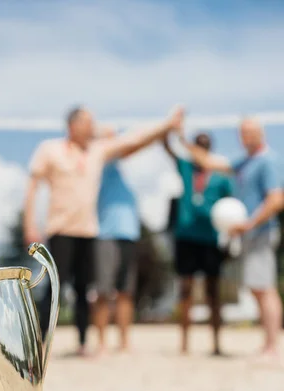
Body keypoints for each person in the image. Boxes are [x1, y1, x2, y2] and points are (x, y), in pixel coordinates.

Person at [24, 106, 183, 356]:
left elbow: (135, 140)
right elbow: (33, 186)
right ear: (73, 125)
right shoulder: (50, 149)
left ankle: (83, 343)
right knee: (54, 285)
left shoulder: (97, 152)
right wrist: (30, 224)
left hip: (88, 230)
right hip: (60, 229)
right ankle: (39, 341)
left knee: (83, 289)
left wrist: (166, 124)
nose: (93, 125)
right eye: (87, 122)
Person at [180, 118, 283, 362]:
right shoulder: (245, 162)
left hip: (261, 232)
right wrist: (182, 139)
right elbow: (208, 161)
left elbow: (276, 200)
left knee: (265, 288)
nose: (245, 137)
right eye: (242, 133)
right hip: (249, 234)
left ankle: (272, 347)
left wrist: (249, 224)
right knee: (257, 289)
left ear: (261, 133)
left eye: (250, 132)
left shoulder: (267, 161)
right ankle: (268, 344)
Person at [163, 132, 234, 355]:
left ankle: (216, 343)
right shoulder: (185, 166)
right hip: (186, 237)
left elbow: (231, 207)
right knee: (185, 290)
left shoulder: (221, 175)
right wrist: (171, 128)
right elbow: (168, 147)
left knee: (214, 292)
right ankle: (184, 344)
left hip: (211, 238)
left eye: (205, 145)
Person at [93, 128, 140, 354]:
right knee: (103, 290)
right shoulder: (102, 160)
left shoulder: (121, 169)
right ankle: (101, 341)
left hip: (128, 235)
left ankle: (124, 341)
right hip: (105, 235)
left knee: (125, 291)